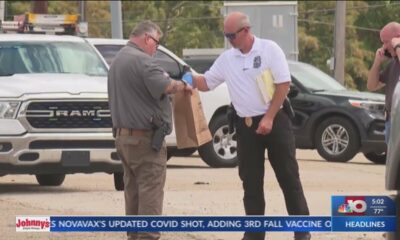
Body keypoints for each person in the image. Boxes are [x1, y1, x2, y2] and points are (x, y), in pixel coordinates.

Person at [190, 12, 311, 240]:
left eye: (231, 35)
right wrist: (187, 79)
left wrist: (269, 117)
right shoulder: (228, 58)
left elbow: (283, 84)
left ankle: (302, 232)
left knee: (288, 178)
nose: (229, 40)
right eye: (225, 35)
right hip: (246, 126)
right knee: (251, 182)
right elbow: (206, 82)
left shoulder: (269, 49)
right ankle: (254, 234)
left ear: (246, 31)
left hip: (275, 121)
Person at [107, 20, 191, 240]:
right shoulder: (144, 62)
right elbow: (166, 86)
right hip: (144, 140)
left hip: (124, 138)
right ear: (147, 38)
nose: (156, 48)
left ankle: (134, 236)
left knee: (133, 191)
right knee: (151, 191)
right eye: (156, 42)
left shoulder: (119, 59)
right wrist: (185, 82)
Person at [368, 21, 400, 143]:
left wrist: (397, 47)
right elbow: (372, 86)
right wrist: (377, 62)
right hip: (391, 121)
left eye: (386, 42)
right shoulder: (392, 64)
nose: (384, 47)